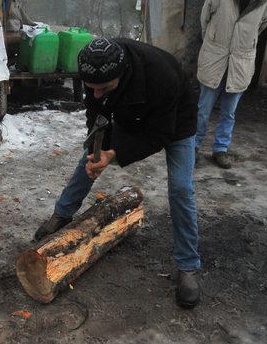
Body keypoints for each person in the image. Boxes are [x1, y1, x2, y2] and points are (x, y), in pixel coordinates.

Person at [34, 37, 201, 309]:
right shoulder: (97, 68)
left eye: (103, 88)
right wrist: (98, 146)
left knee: (181, 189)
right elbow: (95, 109)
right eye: (91, 88)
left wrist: (115, 154)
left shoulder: (162, 75)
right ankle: (61, 215)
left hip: (174, 122)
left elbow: (159, 135)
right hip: (127, 111)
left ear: (121, 75)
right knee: (89, 160)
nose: (96, 93)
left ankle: (188, 266)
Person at [196, 0, 267, 169]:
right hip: (215, 56)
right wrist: (215, 42)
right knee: (203, 110)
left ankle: (220, 150)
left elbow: (262, 24)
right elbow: (205, 18)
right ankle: (194, 147)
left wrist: (242, 42)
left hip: (240, 60)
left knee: (229, 113)